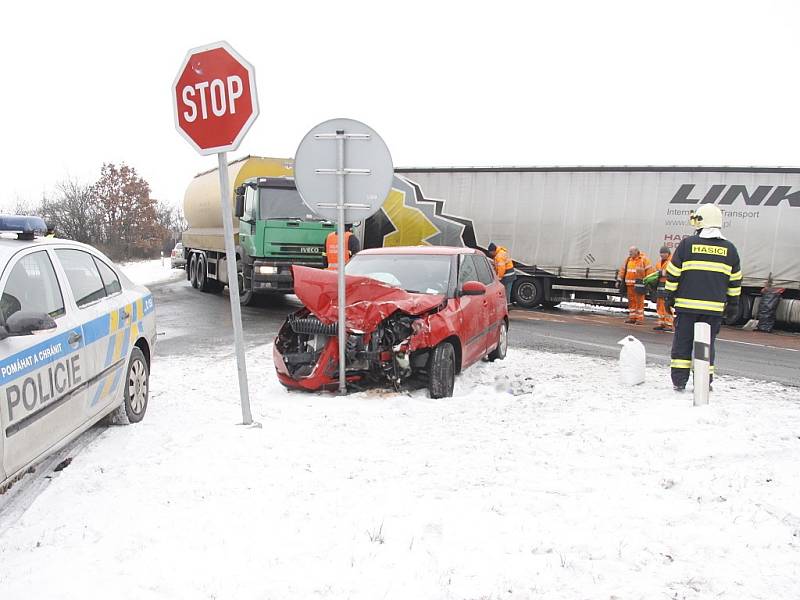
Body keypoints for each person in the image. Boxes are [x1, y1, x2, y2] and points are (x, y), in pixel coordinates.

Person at [664, 204, 741, 391]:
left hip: (686, 309)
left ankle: (679, 381)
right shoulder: (730, 249)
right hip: (713, 311)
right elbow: (735, 280)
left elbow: (673, 274)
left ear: (701, 222)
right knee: (705, 346)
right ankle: (703, 382)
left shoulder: (687, 244)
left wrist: (669, 296)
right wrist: (733, 304)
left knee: (683, 344)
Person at [617, 246, 655, 324]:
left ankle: (639, 319)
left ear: (636, 252)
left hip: (639, 285)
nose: (630, 253)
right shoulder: (628, 260)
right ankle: (632, 317)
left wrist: (648, 282)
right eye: (629, 252)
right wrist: (619, 280)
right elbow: (623, 270)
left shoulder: (644, 260)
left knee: (639, 302)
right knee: (631, 301)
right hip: (629, 284)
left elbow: (649, 272)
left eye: (631, 252)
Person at [653, 245, 674, 332]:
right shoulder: (659, 263)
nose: (662, 255)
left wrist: (661, 273)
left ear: (668, 253)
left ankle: (669, 324)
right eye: (661, 253)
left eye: (664, 253)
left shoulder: (671, 262)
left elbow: (672, 273)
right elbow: (656, 273)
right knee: (660, 305)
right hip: (660, 286)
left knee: (667, 305)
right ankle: (661, 323)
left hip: (667, 286)